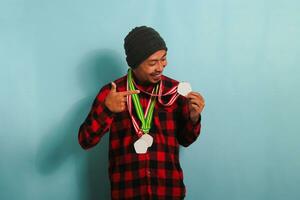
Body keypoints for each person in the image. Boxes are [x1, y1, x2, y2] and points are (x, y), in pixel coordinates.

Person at [78, 26, 205, 200]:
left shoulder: (174, 91)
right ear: (135, 63)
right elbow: (85, 140)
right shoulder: (112, 93)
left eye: (164, 59)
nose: (160, 67)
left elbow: (186, 140)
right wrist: (107, 110)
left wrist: (194, 117)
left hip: (168, 192)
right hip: (127, 192)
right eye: (153, 63)